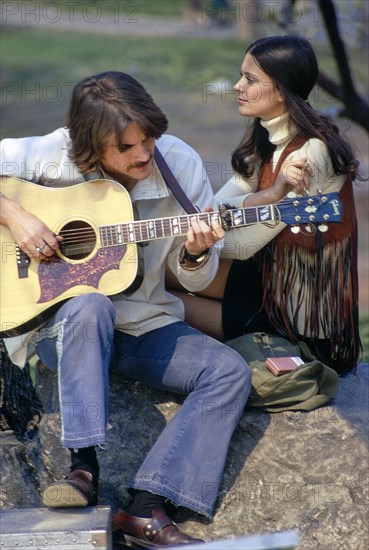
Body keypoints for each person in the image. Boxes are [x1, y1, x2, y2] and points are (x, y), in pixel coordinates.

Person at [0, 71, 252, 547]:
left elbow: (196, 277)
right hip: (64, 331)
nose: (142, 154)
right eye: (126, 146)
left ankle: (146, 507)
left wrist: (197, 253)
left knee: (228, 372)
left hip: (143, 326)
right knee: (90, 303)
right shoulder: (51, 153)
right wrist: (15, 214)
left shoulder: (178, 164)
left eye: (148, 139)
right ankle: (82, 469)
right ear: (90, 145)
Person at [166, 35, 363, 375]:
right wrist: (266, 197)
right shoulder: (268, 140)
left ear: (282, 89)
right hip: (266, 284)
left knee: (160, 299)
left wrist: (198, 241)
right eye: (241, 75)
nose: (237, 86)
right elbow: (218, 205)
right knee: (156, 272)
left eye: (250, 79)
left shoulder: (311, 154)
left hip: (295, 321)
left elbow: (241, 245)